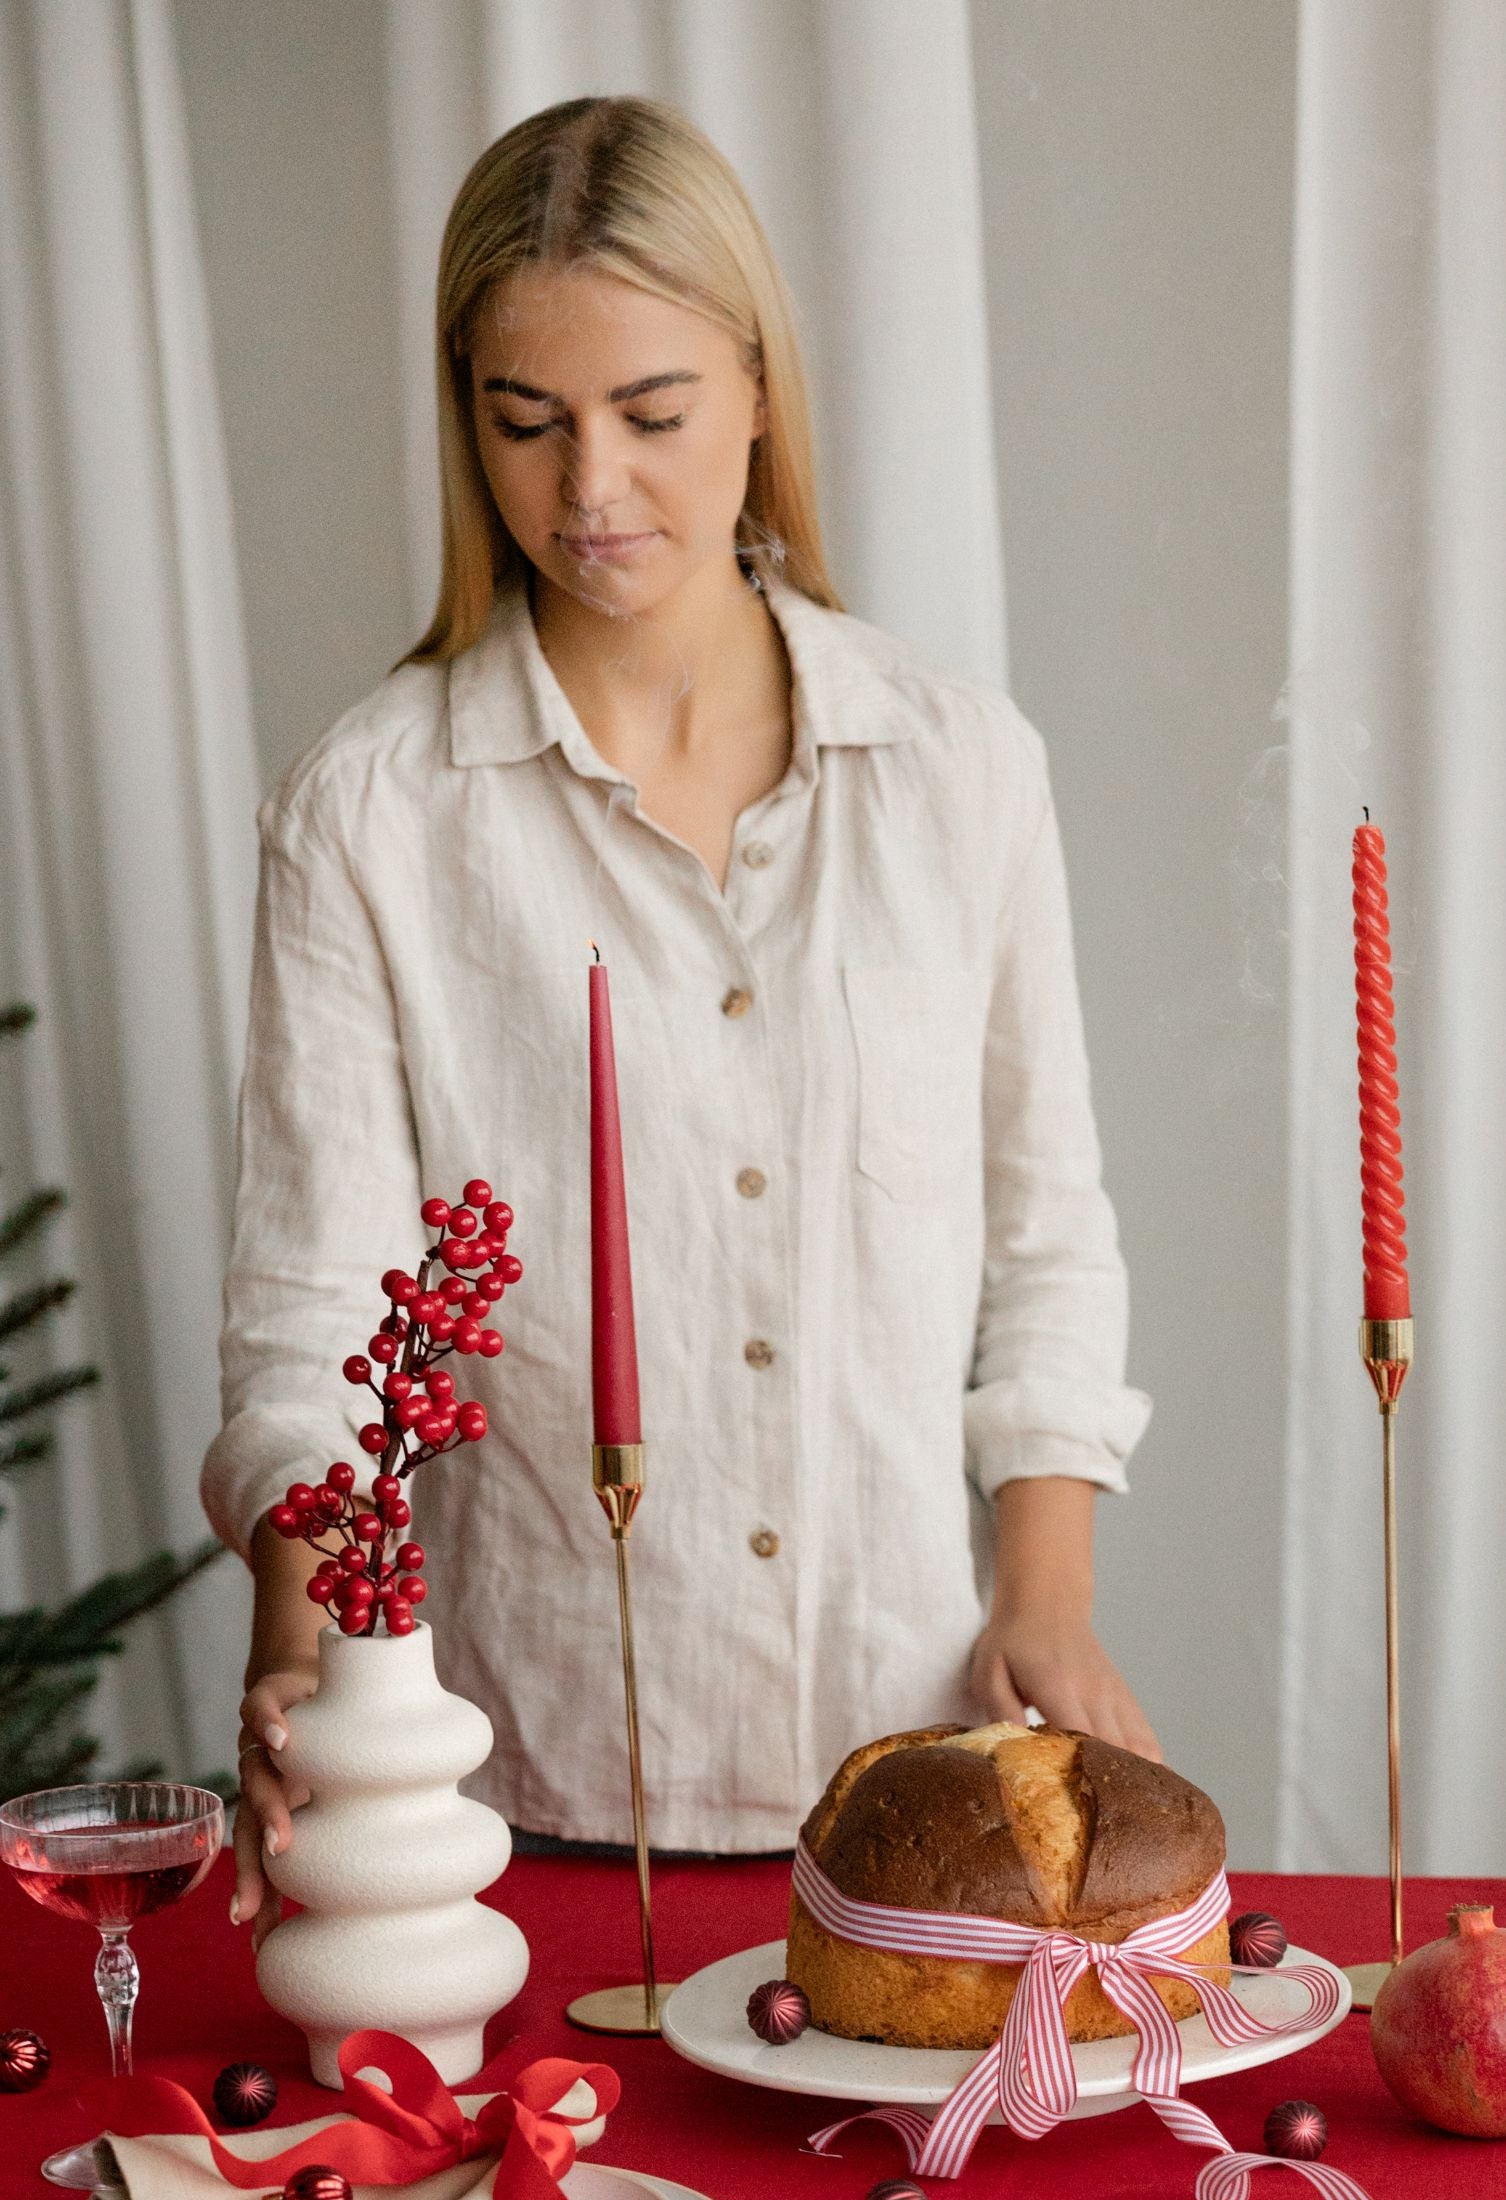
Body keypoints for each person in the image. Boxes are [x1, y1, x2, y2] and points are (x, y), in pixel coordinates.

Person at [212, 91, 1155, 1926]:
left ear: (758, 389)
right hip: (509, 1790)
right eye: (526, 422)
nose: (590, 491)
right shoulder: (367, 813)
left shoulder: (959, 768)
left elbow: (1047, 1239)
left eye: (650, 416)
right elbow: (316, 1323)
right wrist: (301, 1647)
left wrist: (1045, 1598)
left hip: (912, 1781)